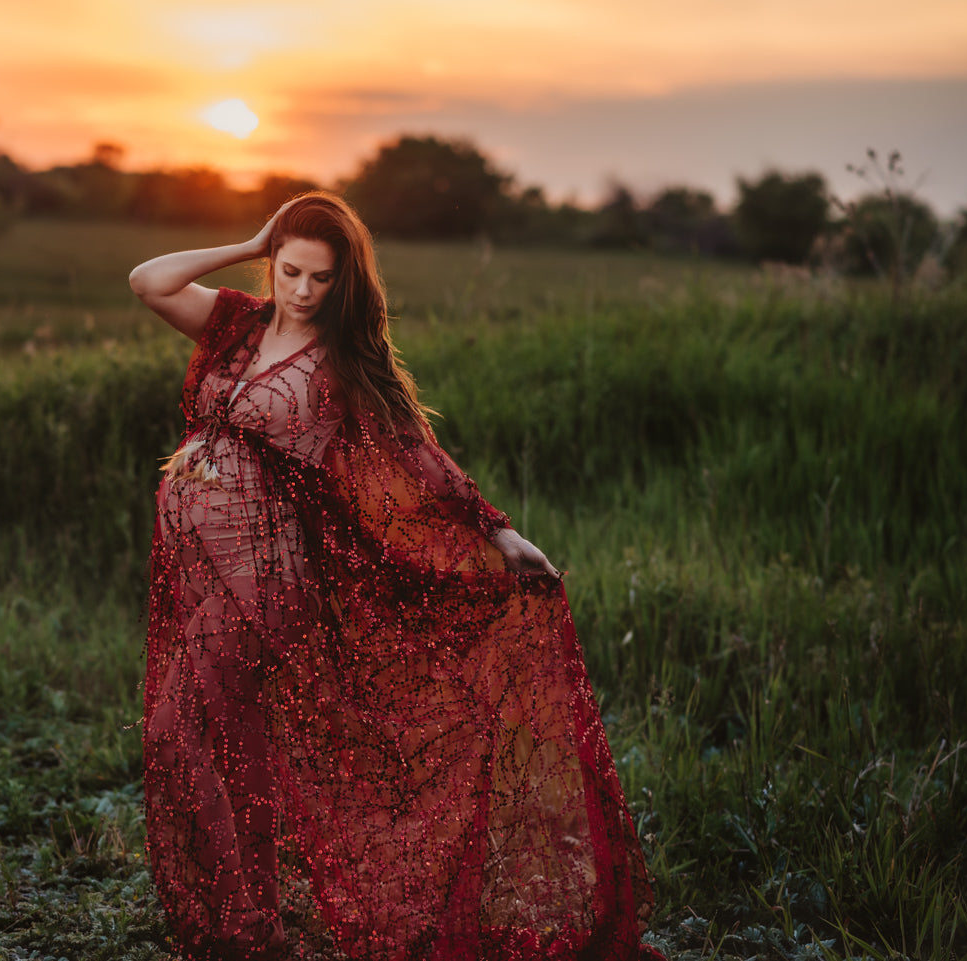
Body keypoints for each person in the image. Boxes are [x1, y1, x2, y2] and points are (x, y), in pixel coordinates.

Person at [130, 192, 660, 961]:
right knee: (221, 740)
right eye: (291, 271)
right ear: (270, 265)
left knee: (180, 730)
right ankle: (244, 927)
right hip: (200, 574)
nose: (304, 291)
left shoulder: (340, 361)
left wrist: (496, 528)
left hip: (268, 578)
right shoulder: (238, 325)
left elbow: (415, 454)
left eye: (321, 279)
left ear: (344, 286)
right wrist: (249, 240)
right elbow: (149, 279)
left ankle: (243, 930)